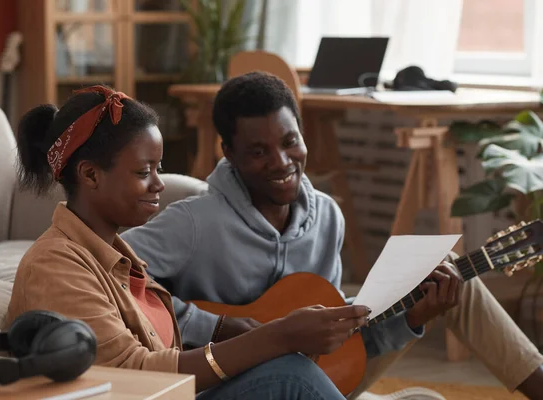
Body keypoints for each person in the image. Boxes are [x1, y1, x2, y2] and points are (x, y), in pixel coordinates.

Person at [120, 72, 543, 400]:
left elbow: (341, 343)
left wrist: (415, 317)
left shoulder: (327, 216)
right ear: (228, 153)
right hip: (235, 385)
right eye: (258, 151)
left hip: (319, 372)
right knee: (296, 373)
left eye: (290, 142)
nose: (281, 162)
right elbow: (112, 272)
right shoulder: (196, 221)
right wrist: (219, 325)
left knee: (453, 278)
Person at [5, 84, 375, 400]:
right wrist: (277, 336)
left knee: (287, 367)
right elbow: (133, 375)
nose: (159, 184)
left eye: (158, 168)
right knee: (291, 374)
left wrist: (226, 329)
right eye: (142, 172)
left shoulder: (119, 258)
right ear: (90, 175)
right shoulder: (55, 264)